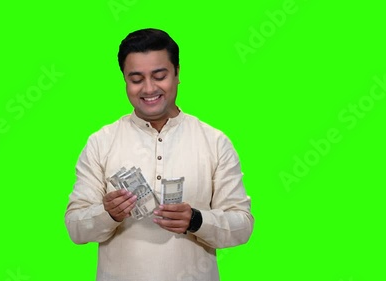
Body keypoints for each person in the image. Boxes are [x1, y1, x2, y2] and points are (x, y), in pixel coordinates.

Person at [65, 28, 254, 281]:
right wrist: (107, 214)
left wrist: (197, 220)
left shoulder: (214, 142)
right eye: (136, 79)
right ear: (124, 80)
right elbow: (75, 228)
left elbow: (242, 226)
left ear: (177, 73)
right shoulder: (101, 142)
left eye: (159, 75)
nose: (149, 88)